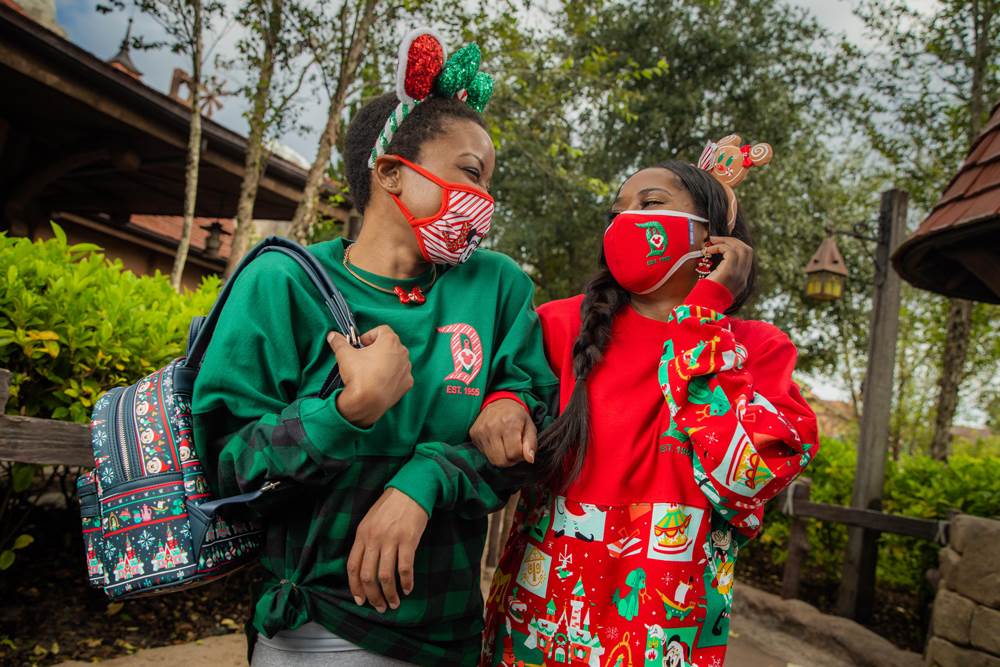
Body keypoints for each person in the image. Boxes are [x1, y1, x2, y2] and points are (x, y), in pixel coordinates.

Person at [193, 30, 556, 667]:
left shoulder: (497, 287)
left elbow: (530, 433)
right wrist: (347, 412)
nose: (484, 200)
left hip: (449, 629)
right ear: (390, 172)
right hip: (318, 629)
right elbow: (229, 469)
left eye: (488, 182)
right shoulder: (281, 282)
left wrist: (427, 479)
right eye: (470, 174)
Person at [480, 138, 819, 667]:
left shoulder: (757, 348)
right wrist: (503, 402)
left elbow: (750, 475)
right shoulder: (559, 323)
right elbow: (506, 386)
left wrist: (703, 318)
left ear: (715, 239)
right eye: (617, 211)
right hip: (539, 617)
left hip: (667, 631)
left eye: (651, 202)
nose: (626, 220)